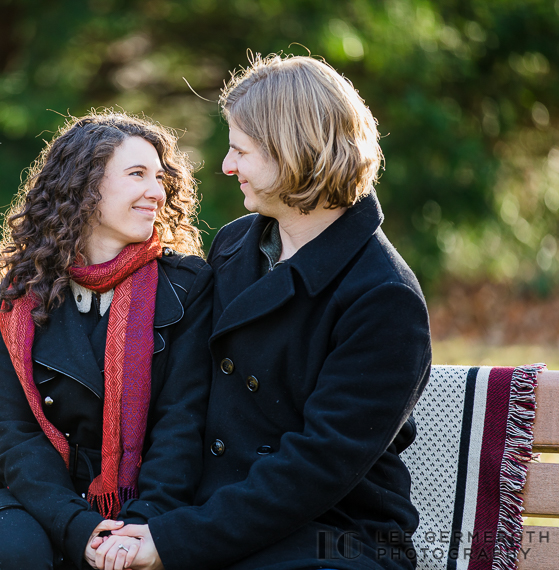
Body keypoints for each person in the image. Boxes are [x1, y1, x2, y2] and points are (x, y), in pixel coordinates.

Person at [97, 54, 431, 570]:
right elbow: (186, 399)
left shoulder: (384, 296)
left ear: (292, 152)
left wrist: (174, 540)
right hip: (212, 517)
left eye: (240, 150)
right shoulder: (234, 245)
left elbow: (315, 467)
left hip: (336, 540)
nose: (228, 167)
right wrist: (155, 518)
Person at [0, 111, 213, 570]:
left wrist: (141, 524)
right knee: (11, 551)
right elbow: (16, 431)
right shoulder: (25, 293)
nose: (157, 191)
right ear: (84, 186)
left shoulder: (187, 287)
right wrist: (77, 525)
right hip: (40, 497)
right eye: (137, 174)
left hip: (150, 500)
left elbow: (184, 422)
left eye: (160, 177)